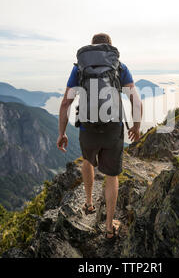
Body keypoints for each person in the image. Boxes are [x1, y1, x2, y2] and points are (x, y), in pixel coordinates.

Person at [57, 33, 142, 240]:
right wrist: (136, 127)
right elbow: (136, 101)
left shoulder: (80, 68)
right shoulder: (119, 67)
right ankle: (109, 228)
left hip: (88, 128)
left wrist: (62, 133)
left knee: (87, 161)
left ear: (92, 47)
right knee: (112, 176)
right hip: (113, 127)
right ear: (109, 48)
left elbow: (66, 103)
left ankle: (88, 203)